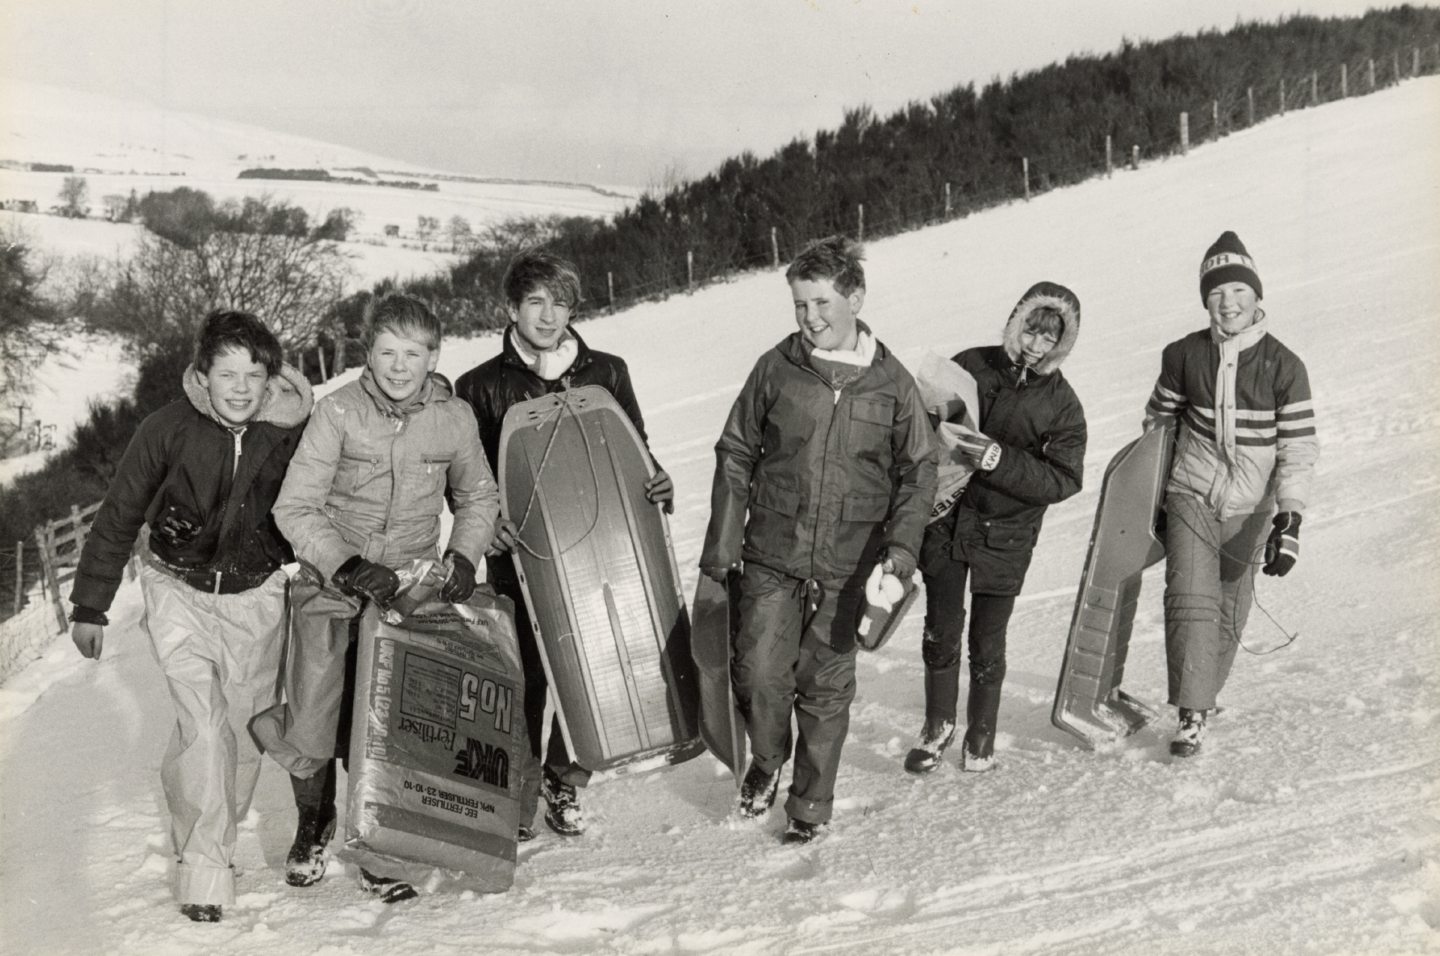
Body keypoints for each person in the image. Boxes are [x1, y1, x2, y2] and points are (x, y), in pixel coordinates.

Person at [250, 292, 499, 901]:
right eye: (387, 352)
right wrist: (347, 564)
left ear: (433, 356)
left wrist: (464, 556)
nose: (399, 366)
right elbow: (295, 507)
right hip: (334, 586)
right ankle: (315, 819)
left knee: (392, 726)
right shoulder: (337, 412)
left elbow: (478, 497)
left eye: (413, 353)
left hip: (411, 595)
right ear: (369, 353)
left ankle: (382, 842)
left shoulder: (455, 418)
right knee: (314, 718)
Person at [68, 311, 313, 923]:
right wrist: (90, 605)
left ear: (270, 377)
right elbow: (119, 513)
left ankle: (215, 829)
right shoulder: (166, 429)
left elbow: (316, 506)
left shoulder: (290, 430)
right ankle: (205, 870)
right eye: (226, 373)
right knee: (203, 729)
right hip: (178, 590)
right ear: (202, 376)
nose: (240, 387)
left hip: (257, 598)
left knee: (246, 735)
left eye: (252, 374)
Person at [700, 235, 936, 845]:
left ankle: (809, 807)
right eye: (800, 305)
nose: (810, 318)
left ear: (855, 298)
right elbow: (736, 450)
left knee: (826, 689)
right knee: (758, 674)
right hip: (773, 552)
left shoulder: (892, 383)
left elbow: (919, 470)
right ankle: (767, 759)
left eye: (822, 303)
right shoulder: (776, 367)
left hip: (849, 563)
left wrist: (901, 552)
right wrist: (722, 547)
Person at [454, 249, 674, 839]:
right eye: (536, 302)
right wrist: (486, 523)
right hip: (520, 555)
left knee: (591, 665)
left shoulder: (607, 371)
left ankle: (563, 776)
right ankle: (517, 797)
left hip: (598, 548)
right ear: (511, 308)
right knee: (526, 679)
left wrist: (658, 479)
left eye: (561, 303)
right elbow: (466, 477)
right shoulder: (480, 386)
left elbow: (634, 447)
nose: (549, 316)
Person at [1142, 231, 1317, 758]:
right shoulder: (1183, 355)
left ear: (1256, 294)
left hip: (1252, 506)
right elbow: (1157, 426)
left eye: (1238, 290)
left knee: (1229, 609)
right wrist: (1152, 495)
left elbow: (1297, 449)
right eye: (1217, 292)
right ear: (1205, 300)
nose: (1228, 302)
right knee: (1190, 600)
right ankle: (1191, 715)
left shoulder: (1285, 366)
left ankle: (1204, 695)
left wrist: (1289, 519)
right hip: (1191, 493)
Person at [905, 282, 1087, 775]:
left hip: (1006, 536)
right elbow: (924, 421)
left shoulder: (1062, 404)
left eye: (1049, 338)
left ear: (1062, 344)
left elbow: (1065, 478)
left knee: (987, 641)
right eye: (1030, 330)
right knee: (941, 629)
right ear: (1015, 323)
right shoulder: (972, 364)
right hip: (947, 522)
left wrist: (998, 459)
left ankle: (980, 733)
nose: (1035, 345)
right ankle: (937, 726)